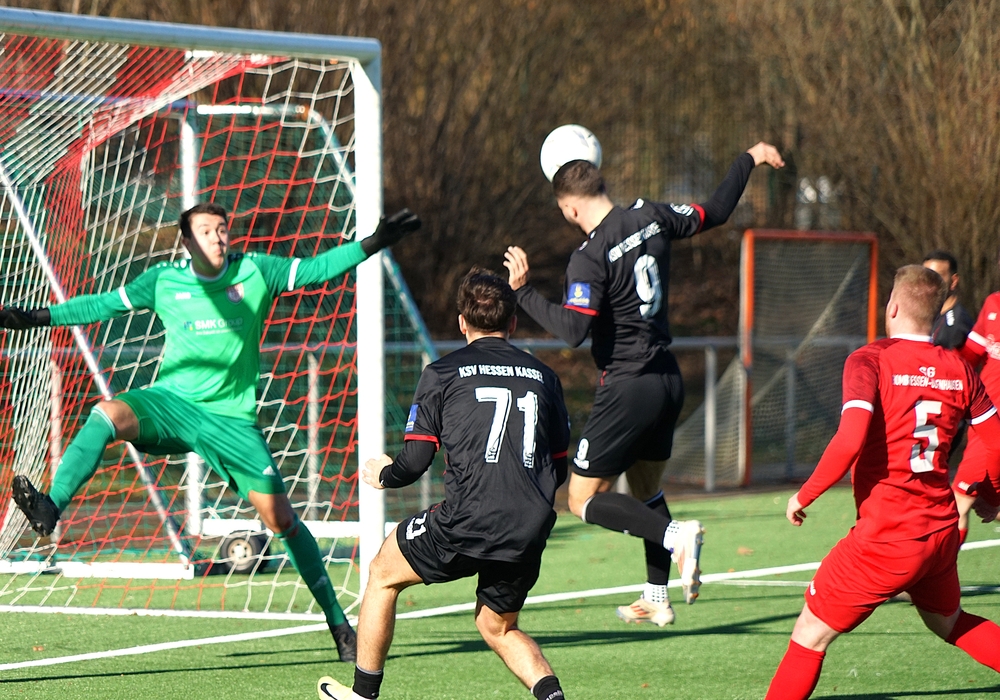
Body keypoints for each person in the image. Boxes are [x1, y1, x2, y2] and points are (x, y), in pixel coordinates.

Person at [0, 201, 421, 662]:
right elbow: (101, 306)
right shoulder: (163, 280)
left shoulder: (255, 271)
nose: (217, 238)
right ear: (186, 240)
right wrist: (36, 317)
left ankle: (338, 624)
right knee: (106, 413)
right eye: (206, 231)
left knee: (281, 520)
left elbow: (316, 269)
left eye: (222, 229)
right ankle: (52, 505)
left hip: (231, 422)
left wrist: (372, 243)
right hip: (172, 404)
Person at [503, 141, 784, 626]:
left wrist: (523, 293)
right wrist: (749, 157)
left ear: (569, 208)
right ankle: (656, 595)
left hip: (628, 387)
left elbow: (573, 329)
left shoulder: (589, 256)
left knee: (581, 499)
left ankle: (675, 537)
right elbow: (716, 211)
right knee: (646, 491)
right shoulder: (651, 215)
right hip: (667, 379)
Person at [317, 268, 570, 700]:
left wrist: (384, 475)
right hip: (530, 522)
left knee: (381, 574)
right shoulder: (546, 377)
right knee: (497, 626)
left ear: (461, 322)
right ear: (512, 323)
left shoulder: (442, 373)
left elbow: (416, 461)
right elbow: (558, 467)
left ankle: (362, 694)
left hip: (468, 519)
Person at [765, 265, 1000, 700]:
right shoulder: (959, 368)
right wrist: (991, 495)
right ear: (936, 313)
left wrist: (804, 494)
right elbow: (997, 440)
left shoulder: (870, 359)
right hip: (940, 532)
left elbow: (850, 439)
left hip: (887, 538)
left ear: (891, 307)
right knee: (950, 623)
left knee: (809, 635)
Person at [922, 250, 974, 350]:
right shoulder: (925, 316)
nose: (929, 282)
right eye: (925, 276)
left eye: (936, 277)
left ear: (954, 281)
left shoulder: (957, 324)